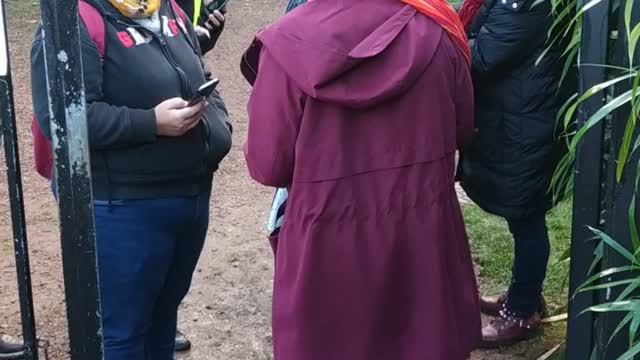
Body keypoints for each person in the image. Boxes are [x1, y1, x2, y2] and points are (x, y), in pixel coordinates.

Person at [242, 0, 481, 358]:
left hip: (326, 246)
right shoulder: (439, 32)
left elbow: (268, 165)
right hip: (422, 238)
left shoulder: (286, 44)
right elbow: (461, 129)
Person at [30, 0, 232, 358]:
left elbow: (193, 71)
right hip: (122, 207)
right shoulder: (72, 18)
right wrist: (150, 122)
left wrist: (218, 121)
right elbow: (63, 118)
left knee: (162, 320)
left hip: (188, 195)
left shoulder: (164, 7)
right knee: (123, 334)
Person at [457, 0, 568, 348]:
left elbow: (483, 56)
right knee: (523, 218)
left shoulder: (525, 5)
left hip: (524, 125)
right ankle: (525, 294)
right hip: (519, 116)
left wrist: (438, 39)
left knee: (526, 219)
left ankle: (521, 314)